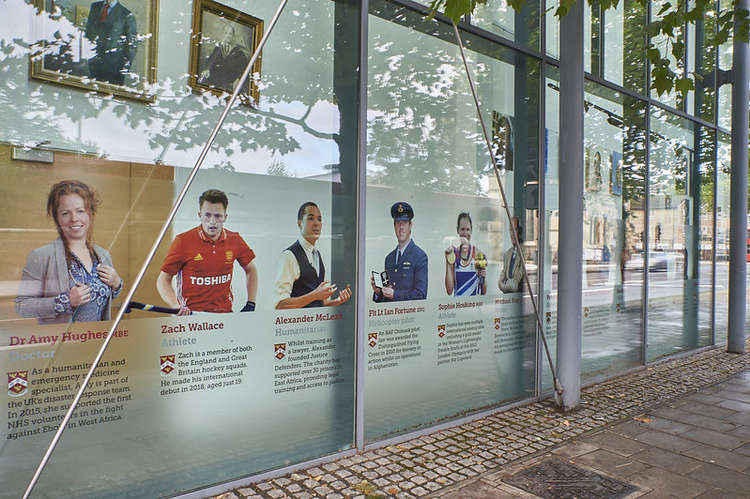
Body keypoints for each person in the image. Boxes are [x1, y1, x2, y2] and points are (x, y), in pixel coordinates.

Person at [16, 180, 123, 323]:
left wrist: (117, 285)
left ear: (90, 214)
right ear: (57, 218)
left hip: (97, 342)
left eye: (80, 211)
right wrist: (66, 301)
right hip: (60, 343)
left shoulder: (103, 255)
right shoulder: (40, 257)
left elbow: (101, 299)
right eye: (65, 213)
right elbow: (22, 306)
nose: (74, 219)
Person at [157, 189, 257, 315]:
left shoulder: (235, 239)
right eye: (207, 215)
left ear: (225, 217)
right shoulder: (183, 241)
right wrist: (175, 305)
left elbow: (251, 270)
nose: (212, 221)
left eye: (217, 216)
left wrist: (251, 303)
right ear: (200, 215)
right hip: (191, 316)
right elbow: (163, 280)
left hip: (225, 315)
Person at [274, 202, 351, 309]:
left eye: (319, 219)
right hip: (296, 325)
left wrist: (338, 301)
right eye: (311, 218)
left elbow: (319, 303)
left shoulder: (317, 255)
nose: (316, 223)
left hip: (313, 324)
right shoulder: (289, 256)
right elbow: (280, 305)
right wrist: (314, 295)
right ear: (300, 223)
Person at [372, 202, 428, 302]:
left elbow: (421, 295)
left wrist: (395, 295)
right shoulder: (389, 258)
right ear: (394, 226)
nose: (401, 227)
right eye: (398, 223)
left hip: (410, 316)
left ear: (410, 226)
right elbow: (386, 298)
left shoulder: (420, 256)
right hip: (391, 316)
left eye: (405, 223)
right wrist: (378, 292)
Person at [85, 0, 137, 85]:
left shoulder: (126, 14)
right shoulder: (95, 6)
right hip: (92, 65)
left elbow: (132, 46)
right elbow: (88, 33)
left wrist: (122, 69)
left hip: (113, 69)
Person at [198, 22, 250, 94]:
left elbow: (243, 71)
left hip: (229, 85)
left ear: (233, 36)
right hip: (216, 82)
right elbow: (211, 60)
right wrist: (207, 69)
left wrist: (238, 79)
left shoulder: (239, 53)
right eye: (226, 33)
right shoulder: (218, 48)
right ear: (223, 35)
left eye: (230, 34)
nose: (227, 36)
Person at [444, 212, 487, 296]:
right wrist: (448, 263)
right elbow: (449, 291)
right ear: (457, 230)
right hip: (458, 306)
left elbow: (483, 291)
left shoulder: (479, 254)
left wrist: (483, 278)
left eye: (468, 229)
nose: (465, 233)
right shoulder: (453, 254)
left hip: (474, 306)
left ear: (471, 230)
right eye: (462, 229)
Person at [498, 216, 525, 293]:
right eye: (510, 230)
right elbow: (501, 279)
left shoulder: (524, 251)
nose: (512, 234)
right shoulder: (508, 253)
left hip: (517, 298)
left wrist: (506, 285)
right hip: (508, 298)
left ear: (520, 231)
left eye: (515, 229)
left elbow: (516, 283)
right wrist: (502, 283)